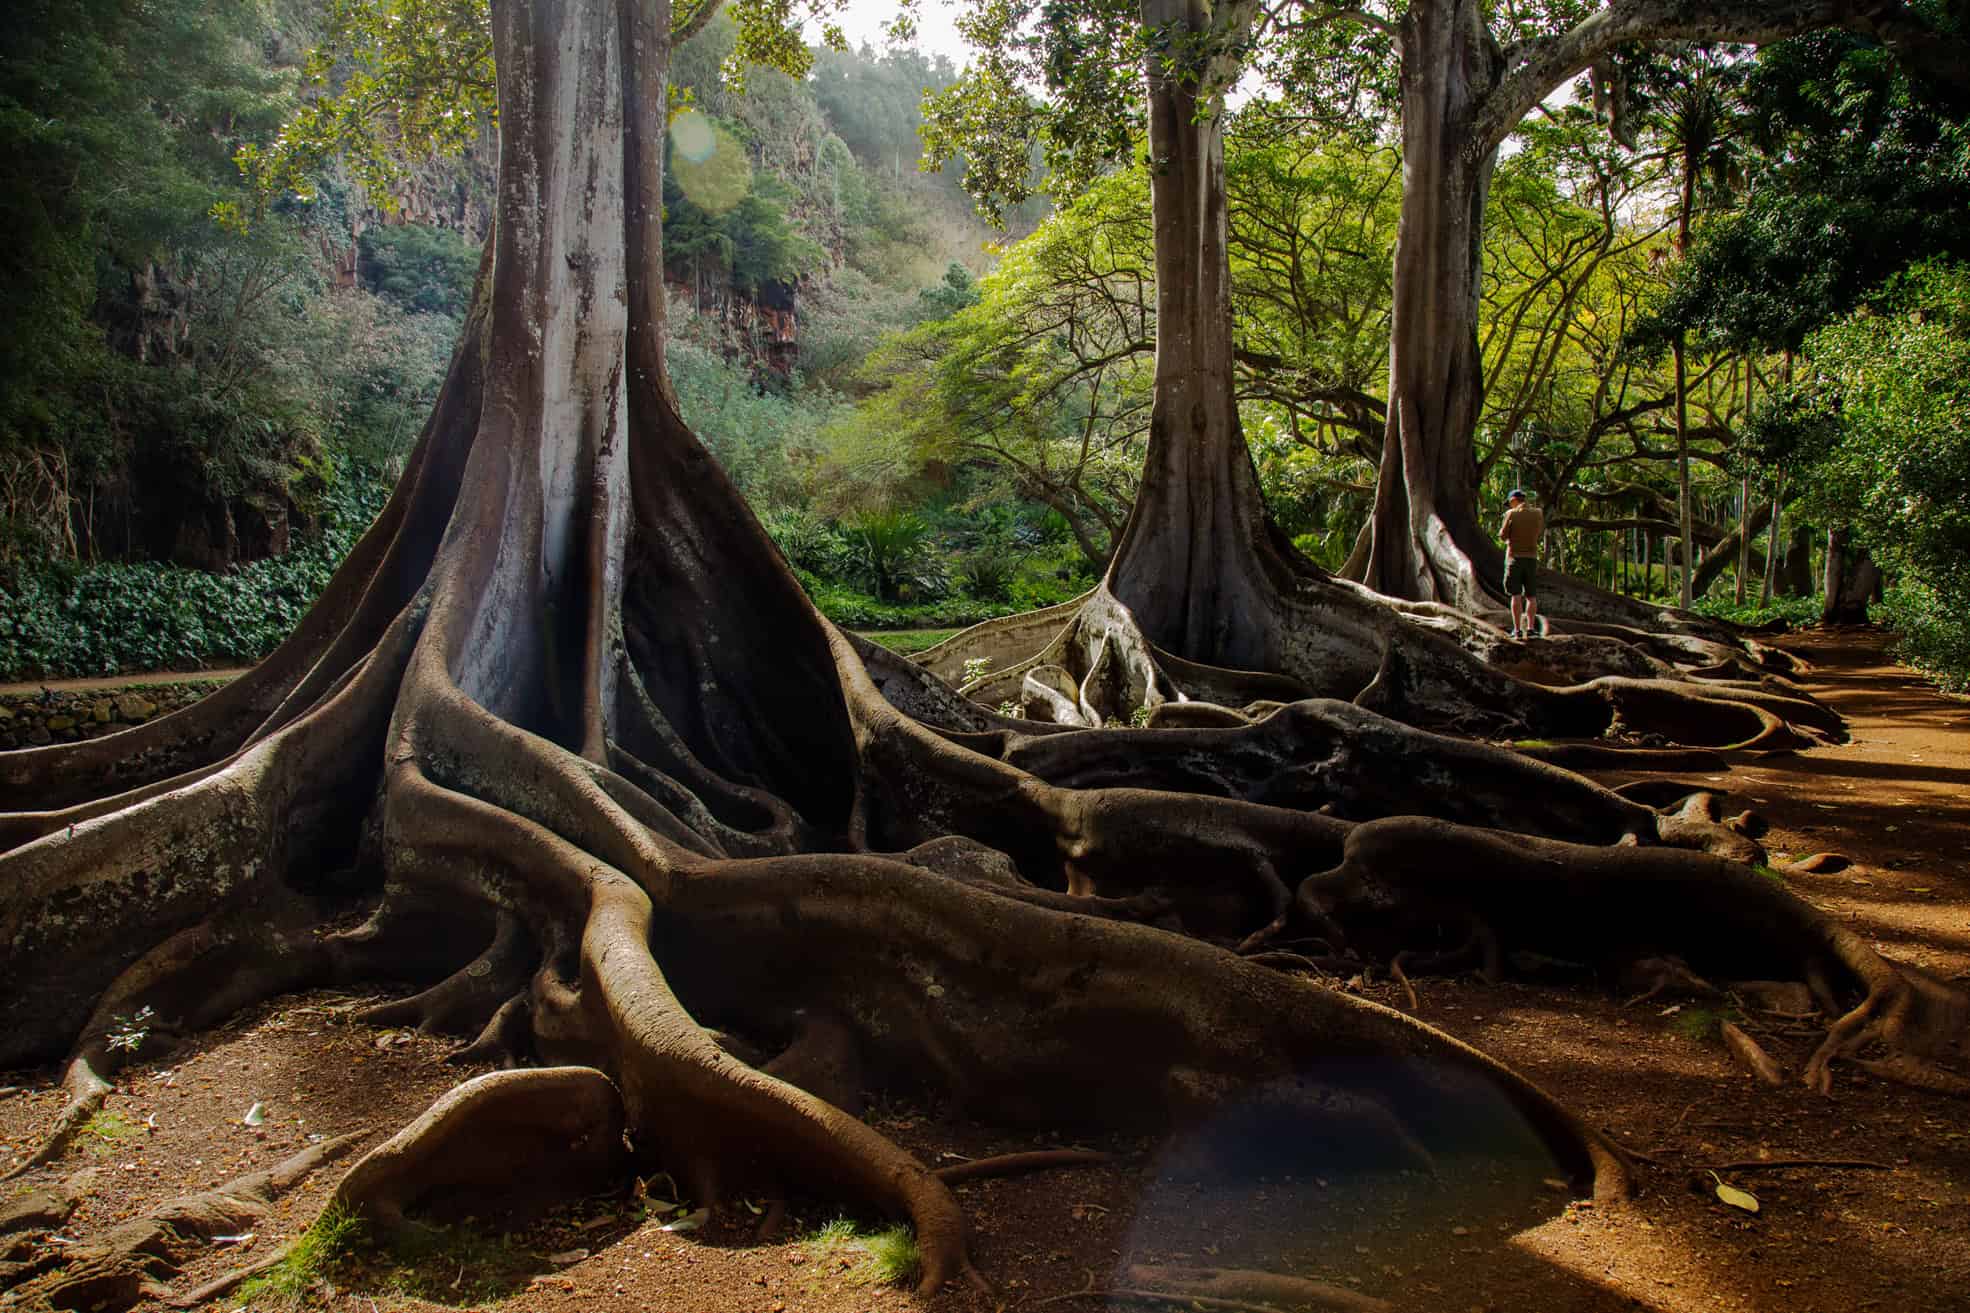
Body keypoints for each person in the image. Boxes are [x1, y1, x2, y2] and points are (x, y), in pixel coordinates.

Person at [1498, 488, 1545, 639]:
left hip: (1514, 558)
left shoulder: (1511, 514)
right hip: (1531, 558)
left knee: (1516, 596)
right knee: (1531, 596)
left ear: (1513, 500)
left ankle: (1517, 631)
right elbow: (1538, 532)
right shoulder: (1538, 513)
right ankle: (1531, 629)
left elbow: (1502, 535)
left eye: (1509, 503)